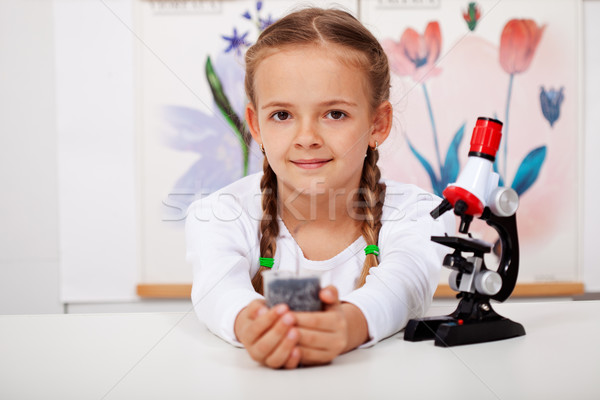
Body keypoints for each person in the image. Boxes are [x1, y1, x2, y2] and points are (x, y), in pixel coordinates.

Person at [186, 7, 454, 369]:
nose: (307, 138)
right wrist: (252, 323)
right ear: (256, 125)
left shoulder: (420, 213)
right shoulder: (218, 214)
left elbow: (405, 283)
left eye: (335, 114)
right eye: (282, 115)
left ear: (377, 123)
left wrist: (349, 324)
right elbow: (217, 288)